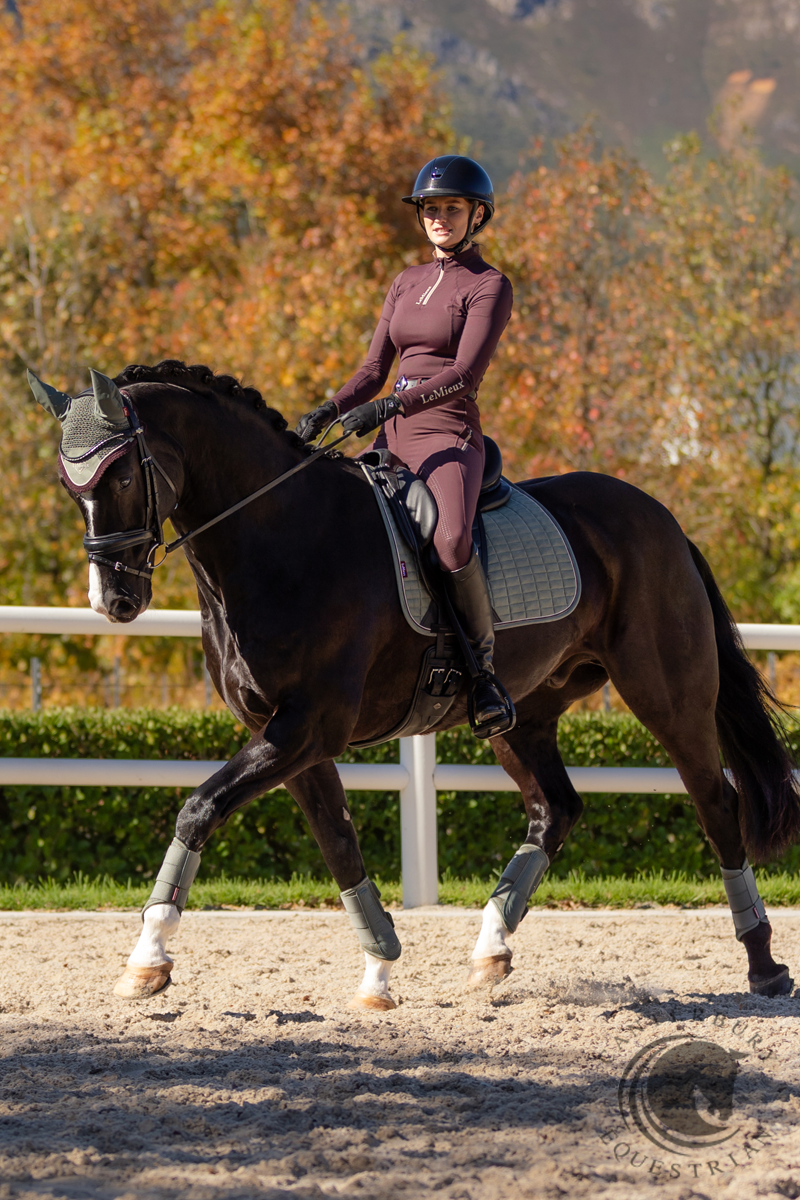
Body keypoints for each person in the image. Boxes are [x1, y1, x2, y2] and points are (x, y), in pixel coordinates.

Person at [296, 155, 515, 737]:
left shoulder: (489, 285)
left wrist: (392, 405)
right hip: (390, 439)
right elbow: (374, 369)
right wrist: (329, 410)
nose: (439, 217)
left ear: (477, 215)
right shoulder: (406, 281)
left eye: (451, 208)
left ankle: (484, 673)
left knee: (451, 539)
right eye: (430, 209)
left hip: (447, 434)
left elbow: (465, 374)